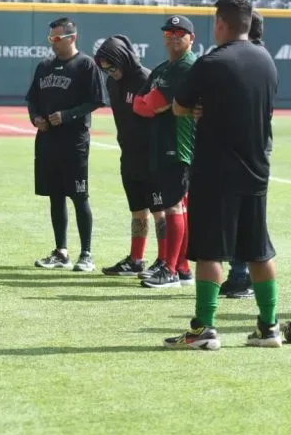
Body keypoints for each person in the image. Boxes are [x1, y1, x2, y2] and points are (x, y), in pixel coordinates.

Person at [164, 0, 281, 349]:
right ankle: (268, 327)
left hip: (216, 171)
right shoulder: (267, 61)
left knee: (210, 252)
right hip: (257, 169)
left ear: (220, 23)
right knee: (258, 250)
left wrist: (198, 109)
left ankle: (204, 329)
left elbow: (179, 106)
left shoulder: (211, 61)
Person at [25, 18, 107, 272]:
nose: (52, 43)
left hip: (74, 142)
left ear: (71, 38)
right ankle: (61, 251)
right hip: (48, 140)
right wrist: (36, 118)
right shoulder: (44, 66)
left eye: (56, 39)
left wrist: (68, 115)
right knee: (55, 195)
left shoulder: (85, 66)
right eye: (50, 39)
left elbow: (97, 100)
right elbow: (32, 100)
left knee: (79, 195)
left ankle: (87, 254)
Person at [132, 16, 196, 290]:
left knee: (173, 206)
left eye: (180, 32)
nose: (173, 36)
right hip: (162, 143)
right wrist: (154, 103)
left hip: (178, 144)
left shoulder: (187, 67)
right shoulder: (161, 68)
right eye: (169, 31)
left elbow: (155, 102)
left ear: (191, 39)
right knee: (175, 205)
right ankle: (180, 267)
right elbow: (140, 105)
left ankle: (171, 269)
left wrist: (155, 103)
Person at [94, 35, 166, 277]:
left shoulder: (145, 78)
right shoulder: (112, 83)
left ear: (122, 59)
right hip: (129, 154)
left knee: (159, 211)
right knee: (137, 210)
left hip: (152, 157)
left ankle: (164, 260)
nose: (109, 72)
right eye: (105, 68)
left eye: (112, 66)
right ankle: (136, 259)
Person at [218, 10, 265, 300]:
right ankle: (241, 275)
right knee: (247, 218)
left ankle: (240, 276)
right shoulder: (262, 58)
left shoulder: (244, 58)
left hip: (240, 150)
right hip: (255, 150)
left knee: (239, 218)